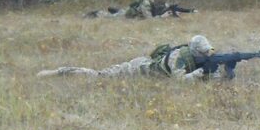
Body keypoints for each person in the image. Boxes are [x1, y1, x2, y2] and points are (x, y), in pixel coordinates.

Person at [38, 35, 224, 80]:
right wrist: (198, 74)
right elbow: (179, 80)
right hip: (135, 70)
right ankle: (59, 72)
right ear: (195, 51)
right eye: (204, 52)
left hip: (145, 65)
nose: (207, 54)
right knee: (99, 76)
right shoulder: (178, 57)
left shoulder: (192, 54)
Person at [86, 0, 196, 19]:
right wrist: (162, 17)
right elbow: (149, 20)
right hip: (129, 17)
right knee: (108, 17)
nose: (164, 1)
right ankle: (95, 13)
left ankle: (115, 10)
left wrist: (190, 11)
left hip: (137, 15)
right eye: (162, 0)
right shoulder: (146, 4)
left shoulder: (160, 3)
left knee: (117, 12)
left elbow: (173, 7)